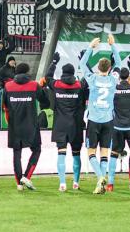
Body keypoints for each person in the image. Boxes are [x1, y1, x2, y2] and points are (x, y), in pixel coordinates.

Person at [79, 34, 121, 194]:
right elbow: (120, 63)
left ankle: (100, 177)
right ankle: (101, 182)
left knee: (91, 153)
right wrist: (113, 45)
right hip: (108, 120)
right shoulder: (113, 80)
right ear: (110, 68)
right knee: (104, 152)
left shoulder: (92, 78)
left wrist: (90, 47)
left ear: (98, 67)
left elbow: (82, 63)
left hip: (94, 120)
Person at [44, 52, 86, 192]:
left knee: (61, 153)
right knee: (76, 154)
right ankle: (76, 182)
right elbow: (89, 79)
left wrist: (54, 62)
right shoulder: (79, 86)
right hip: (76, 125)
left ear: (62, 72)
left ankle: (62, 183)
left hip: (60, 125)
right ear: (74, 73)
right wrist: (84, 61)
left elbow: (47, 77)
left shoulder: (57, 85)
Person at [3, 62, 47, 191]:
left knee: (17, 153)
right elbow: (45, 101)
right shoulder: (34, 85)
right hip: (31, 125)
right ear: (27, 72)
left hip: (14, 125)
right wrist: (42, 88)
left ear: (16, 72)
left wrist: (9, 120)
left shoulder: (8, 86)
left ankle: (19, 184)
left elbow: (5, 105)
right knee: (37, 149)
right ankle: (27, 176)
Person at [107, 56, 130, 193]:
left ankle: (110, 184)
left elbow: (109, 81)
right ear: (128, 77)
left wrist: (112, 65)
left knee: (114, 154)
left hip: (117, 127)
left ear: (119, 78)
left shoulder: (114, 88)